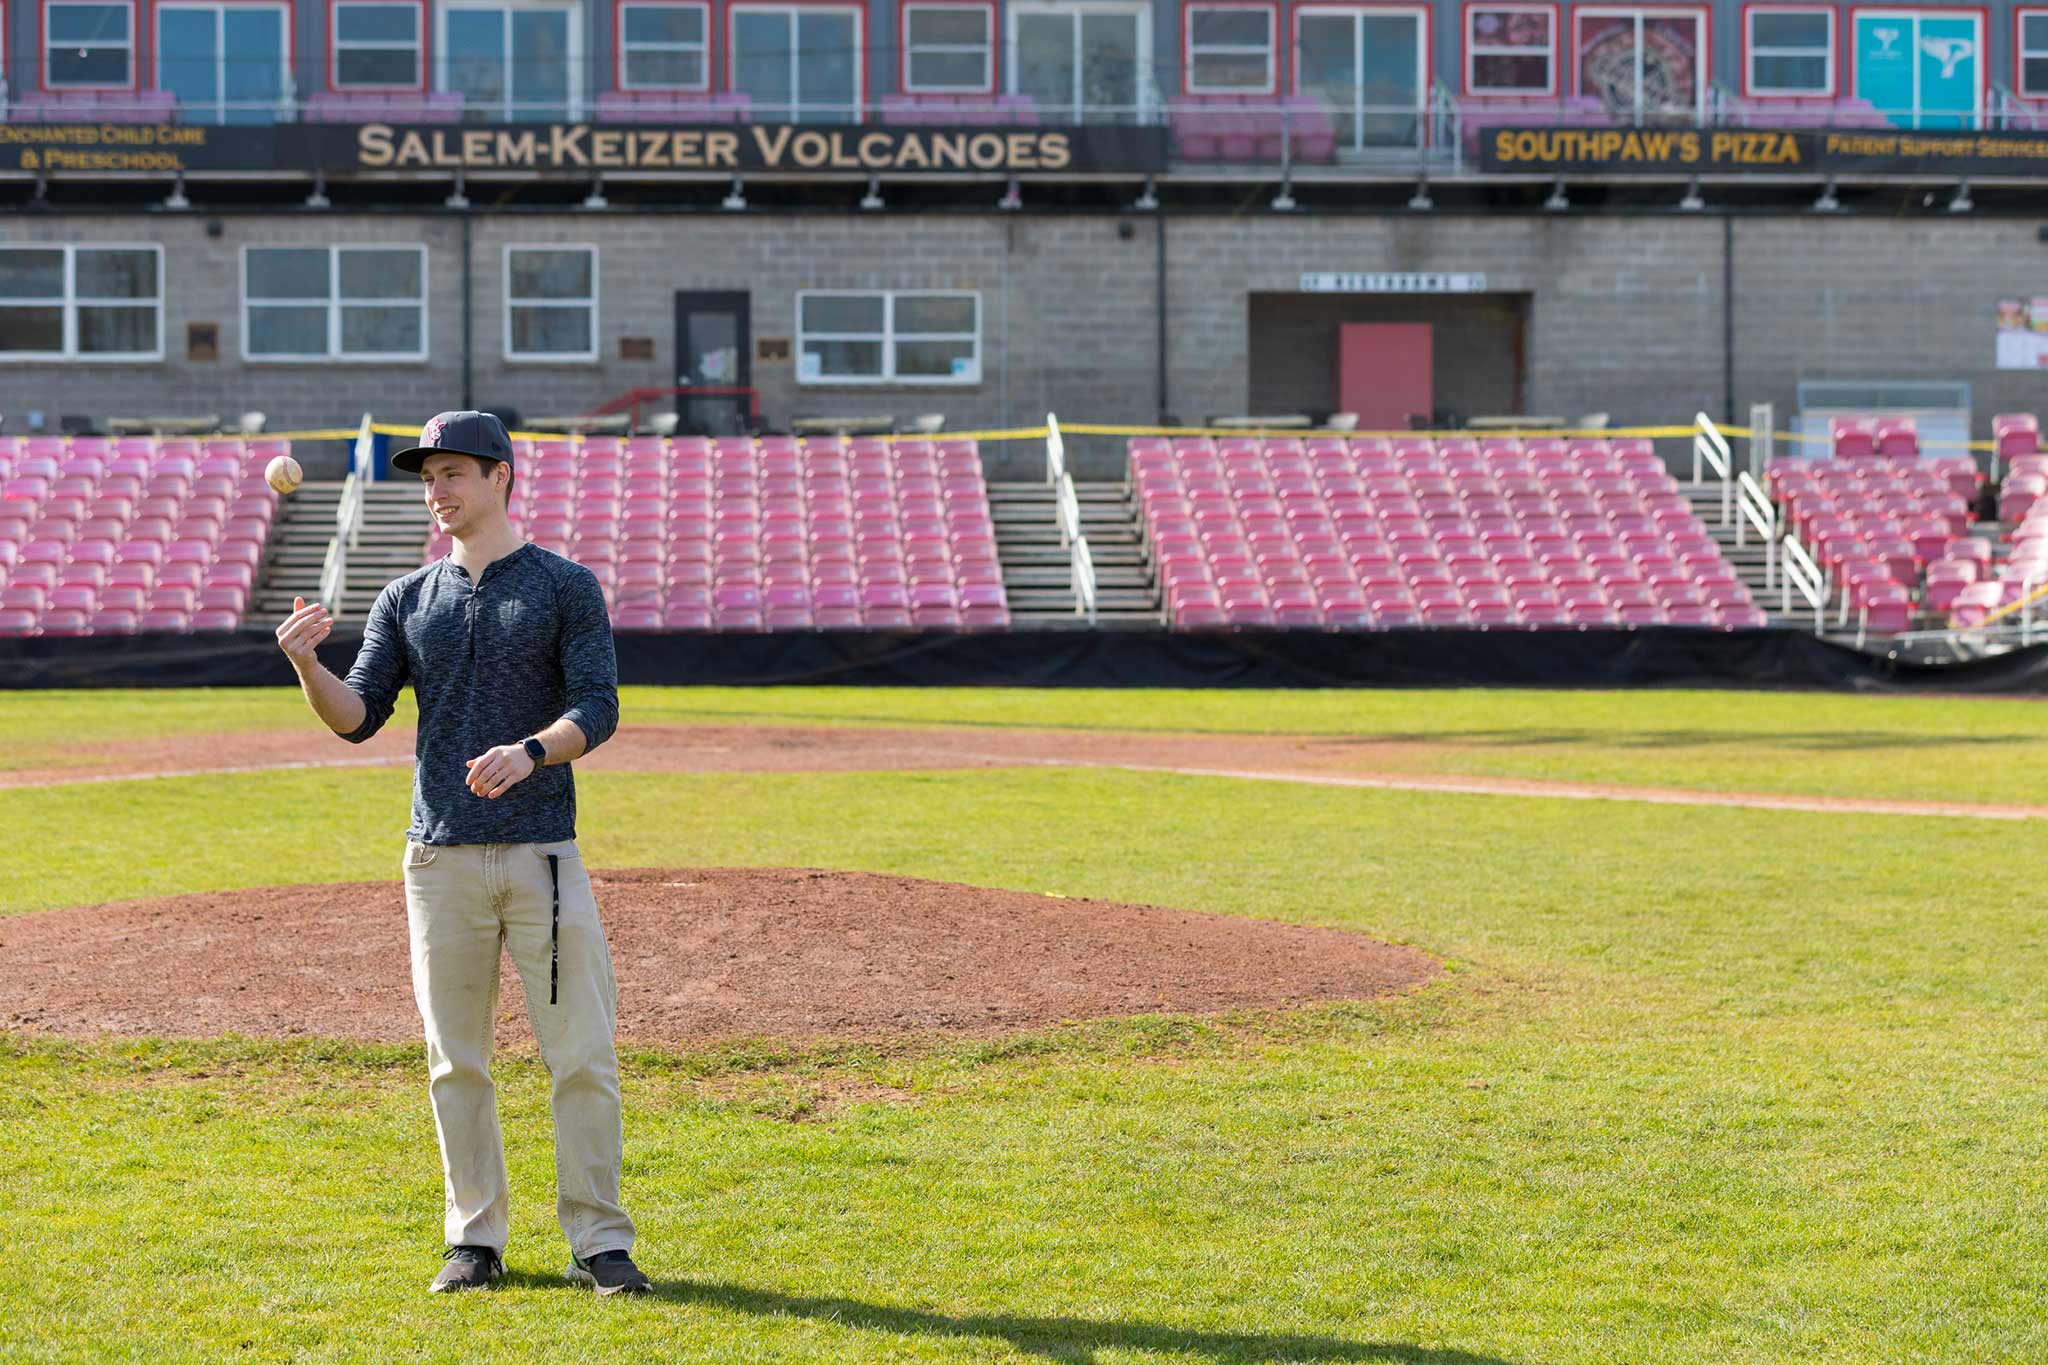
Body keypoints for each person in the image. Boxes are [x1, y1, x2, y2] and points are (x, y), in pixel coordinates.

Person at [274, 411, 650, 1297]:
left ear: (501, 478)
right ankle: (474, 1237)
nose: (437, 492)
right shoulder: (405, 598)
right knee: (456, 1061)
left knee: (583, 1055)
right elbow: (358, 715)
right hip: (438, 858)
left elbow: (599, 706)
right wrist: (304, 667)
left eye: (453, 474)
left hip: (543, 855)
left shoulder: (565, 585)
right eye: (428, 477)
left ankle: (599, 1241)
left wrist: (531, 751)